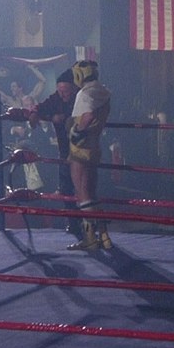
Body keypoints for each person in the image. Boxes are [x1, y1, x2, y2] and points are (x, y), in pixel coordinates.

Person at [65, 60, 111, 251]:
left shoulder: (85, 93)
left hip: (81, 148)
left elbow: (87, 116)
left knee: (82, 194)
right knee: (91, 193)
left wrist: (76, 131)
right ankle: (104, 235)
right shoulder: (102, 91)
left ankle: (90, 238)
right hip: (94, 145)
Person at [30, 68, 82, 235]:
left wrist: (62, 118)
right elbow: (42, 106)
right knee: (66, 188)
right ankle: (73, 223)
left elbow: (84, 117)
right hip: (65, 150)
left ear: (73, 88)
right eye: (60, 90)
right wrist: (36, 113)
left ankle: (88, 224)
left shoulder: (81, 97)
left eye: (65, 90)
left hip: (82, 149)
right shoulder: (56, 98)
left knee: (83, 187)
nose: (62, 94)